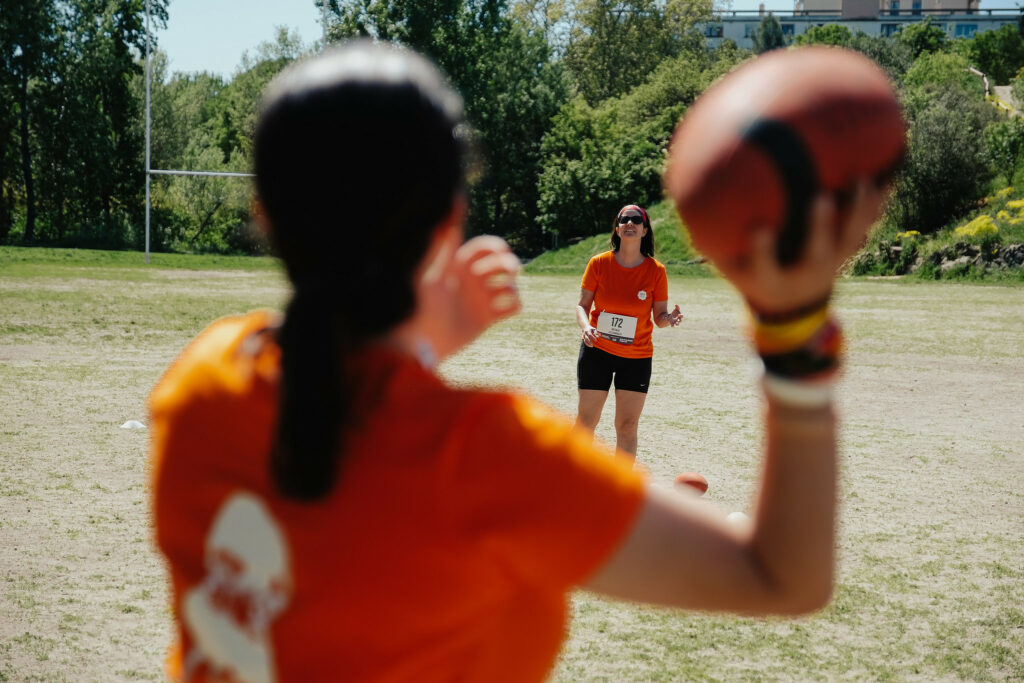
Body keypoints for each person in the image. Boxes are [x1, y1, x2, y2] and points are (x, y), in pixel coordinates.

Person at [149, 40, 883, 682]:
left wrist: (431, 340)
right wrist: (794, 322)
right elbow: (783, 575)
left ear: (266, 215)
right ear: (452, 219)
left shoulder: (199, 384)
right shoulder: (489, 458)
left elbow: (348, 485)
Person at [574, 205, 683, 461]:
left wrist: (670, 319)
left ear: (645, 230)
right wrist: (586, 326)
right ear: (618, 227)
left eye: (637, 220)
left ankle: (620, 491)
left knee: (627, 426)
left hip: (636, 358)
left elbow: (659, 318)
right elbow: (582, 306)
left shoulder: (656, 271)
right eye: (625, 219)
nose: (630, 223)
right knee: (586, 421)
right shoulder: (599, 263)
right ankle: (573, 482)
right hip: (596, 352)